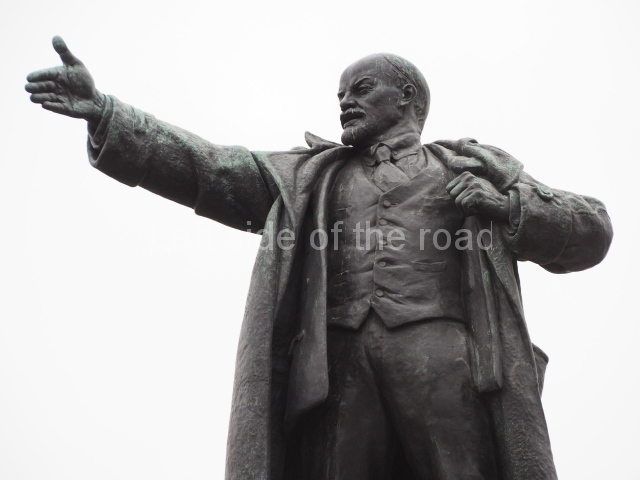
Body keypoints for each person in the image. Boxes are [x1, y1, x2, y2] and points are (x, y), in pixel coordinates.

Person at [26, 36, 613, 480]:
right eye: (340, 96)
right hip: (336, 368)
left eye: (361, 89)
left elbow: (592, 228)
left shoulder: (467, 165)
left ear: (407, 97)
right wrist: (106, 113)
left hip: (446, 359)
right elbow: (212, 167)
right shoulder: (310, 177)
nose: (345, 104)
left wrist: (507, 206)